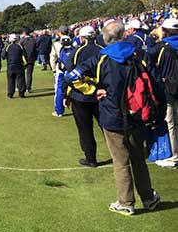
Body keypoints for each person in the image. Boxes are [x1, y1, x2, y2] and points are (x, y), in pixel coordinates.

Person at [66, 21, 161, 215]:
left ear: (105, 37)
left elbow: (72, 76)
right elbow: (154, 83)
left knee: (120, 161)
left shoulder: (101, 58)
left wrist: (93, 90)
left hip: (111, 115)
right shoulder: (138, 54)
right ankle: (148, 198)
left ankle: (126, 202)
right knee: (138, 159)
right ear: (124, 34)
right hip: (137, 113)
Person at [64, 26, 104, 167]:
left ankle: (90, 158)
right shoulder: (103, 49)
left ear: (81, 37)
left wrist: (66, 95)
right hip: (102, 94)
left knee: (85, 129)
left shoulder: (77, 51)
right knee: (107, 128)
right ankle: (120, 154)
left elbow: (69, 75)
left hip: (80, 96)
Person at [149, 18, 178, 167]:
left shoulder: (160, 47)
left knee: (170, 123)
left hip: (169, 90)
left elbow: (146, 60)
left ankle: (173, 157)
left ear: (165, 31)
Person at [50, 35, 73, 117]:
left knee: (59, 90)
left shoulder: (56, 45)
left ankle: (59, 111)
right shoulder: (74, 44)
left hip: (61, 70)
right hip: (72, 70)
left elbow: (52, 58)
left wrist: (53, 70)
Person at [1, 34, 27, 98]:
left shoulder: (8, 47)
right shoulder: (20, 46)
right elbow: (25, 55)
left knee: (11, 80)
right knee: (20, 79)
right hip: (19, 65)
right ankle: (21, 94)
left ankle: (10, 94)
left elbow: (3, 56)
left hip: (10, 66)